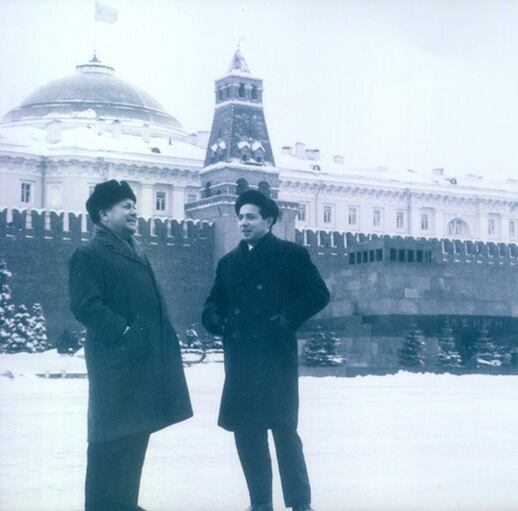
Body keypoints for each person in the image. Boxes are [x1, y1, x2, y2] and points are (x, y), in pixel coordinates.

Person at [69, 180, 193, 511]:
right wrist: (124, 333)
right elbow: (85, 306)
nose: (133, 210)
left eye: (133, 204)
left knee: (133, 440)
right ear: (102, 214)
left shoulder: (135, 250)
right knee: (109, 444)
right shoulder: (90, 254)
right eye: (125, 205)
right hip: (117, 369)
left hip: (140, 367)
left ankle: (123, 504)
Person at [202, 189, 329, 511]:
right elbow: (214, 302)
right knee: (247, 432)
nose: (244, 222)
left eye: (251, 216)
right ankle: (260, 504)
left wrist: (285, 319)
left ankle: (300, 504)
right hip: (241, 356)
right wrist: (216, 320)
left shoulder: (291, 255)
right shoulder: (229, 262)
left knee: (284, 431)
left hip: (275, 355)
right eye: (240, 216)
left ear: (269, 220)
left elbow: (318, 294)